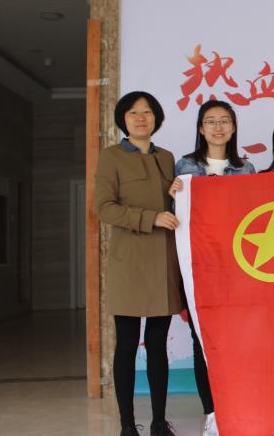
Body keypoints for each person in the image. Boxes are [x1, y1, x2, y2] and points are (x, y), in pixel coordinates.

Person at [94, 91, 180, 436]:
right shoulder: (111, 157)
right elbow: (104, 208)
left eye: (147, 112)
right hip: (128, 264)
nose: (141, 118)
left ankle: (159, 422)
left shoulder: (167, 158)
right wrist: (151, 217)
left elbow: (176, 208)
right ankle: (128, 425)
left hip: (163, 263)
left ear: (156, 118)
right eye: (133, 113)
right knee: (127, 345)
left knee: (158, 346)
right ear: (123, 119)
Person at [169, 100, 255, 436]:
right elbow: (175, 216)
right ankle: (212, 414)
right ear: (201, 129)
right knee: (200, 341)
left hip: (235, 270)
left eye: (224, 121)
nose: (218, 127)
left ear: (233, 128)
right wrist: (174, 194)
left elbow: (252, 216)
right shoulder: (185, 166)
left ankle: (237, 407)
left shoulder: (246, 169)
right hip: (198, 267)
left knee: (235, 341)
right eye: (211, 121)